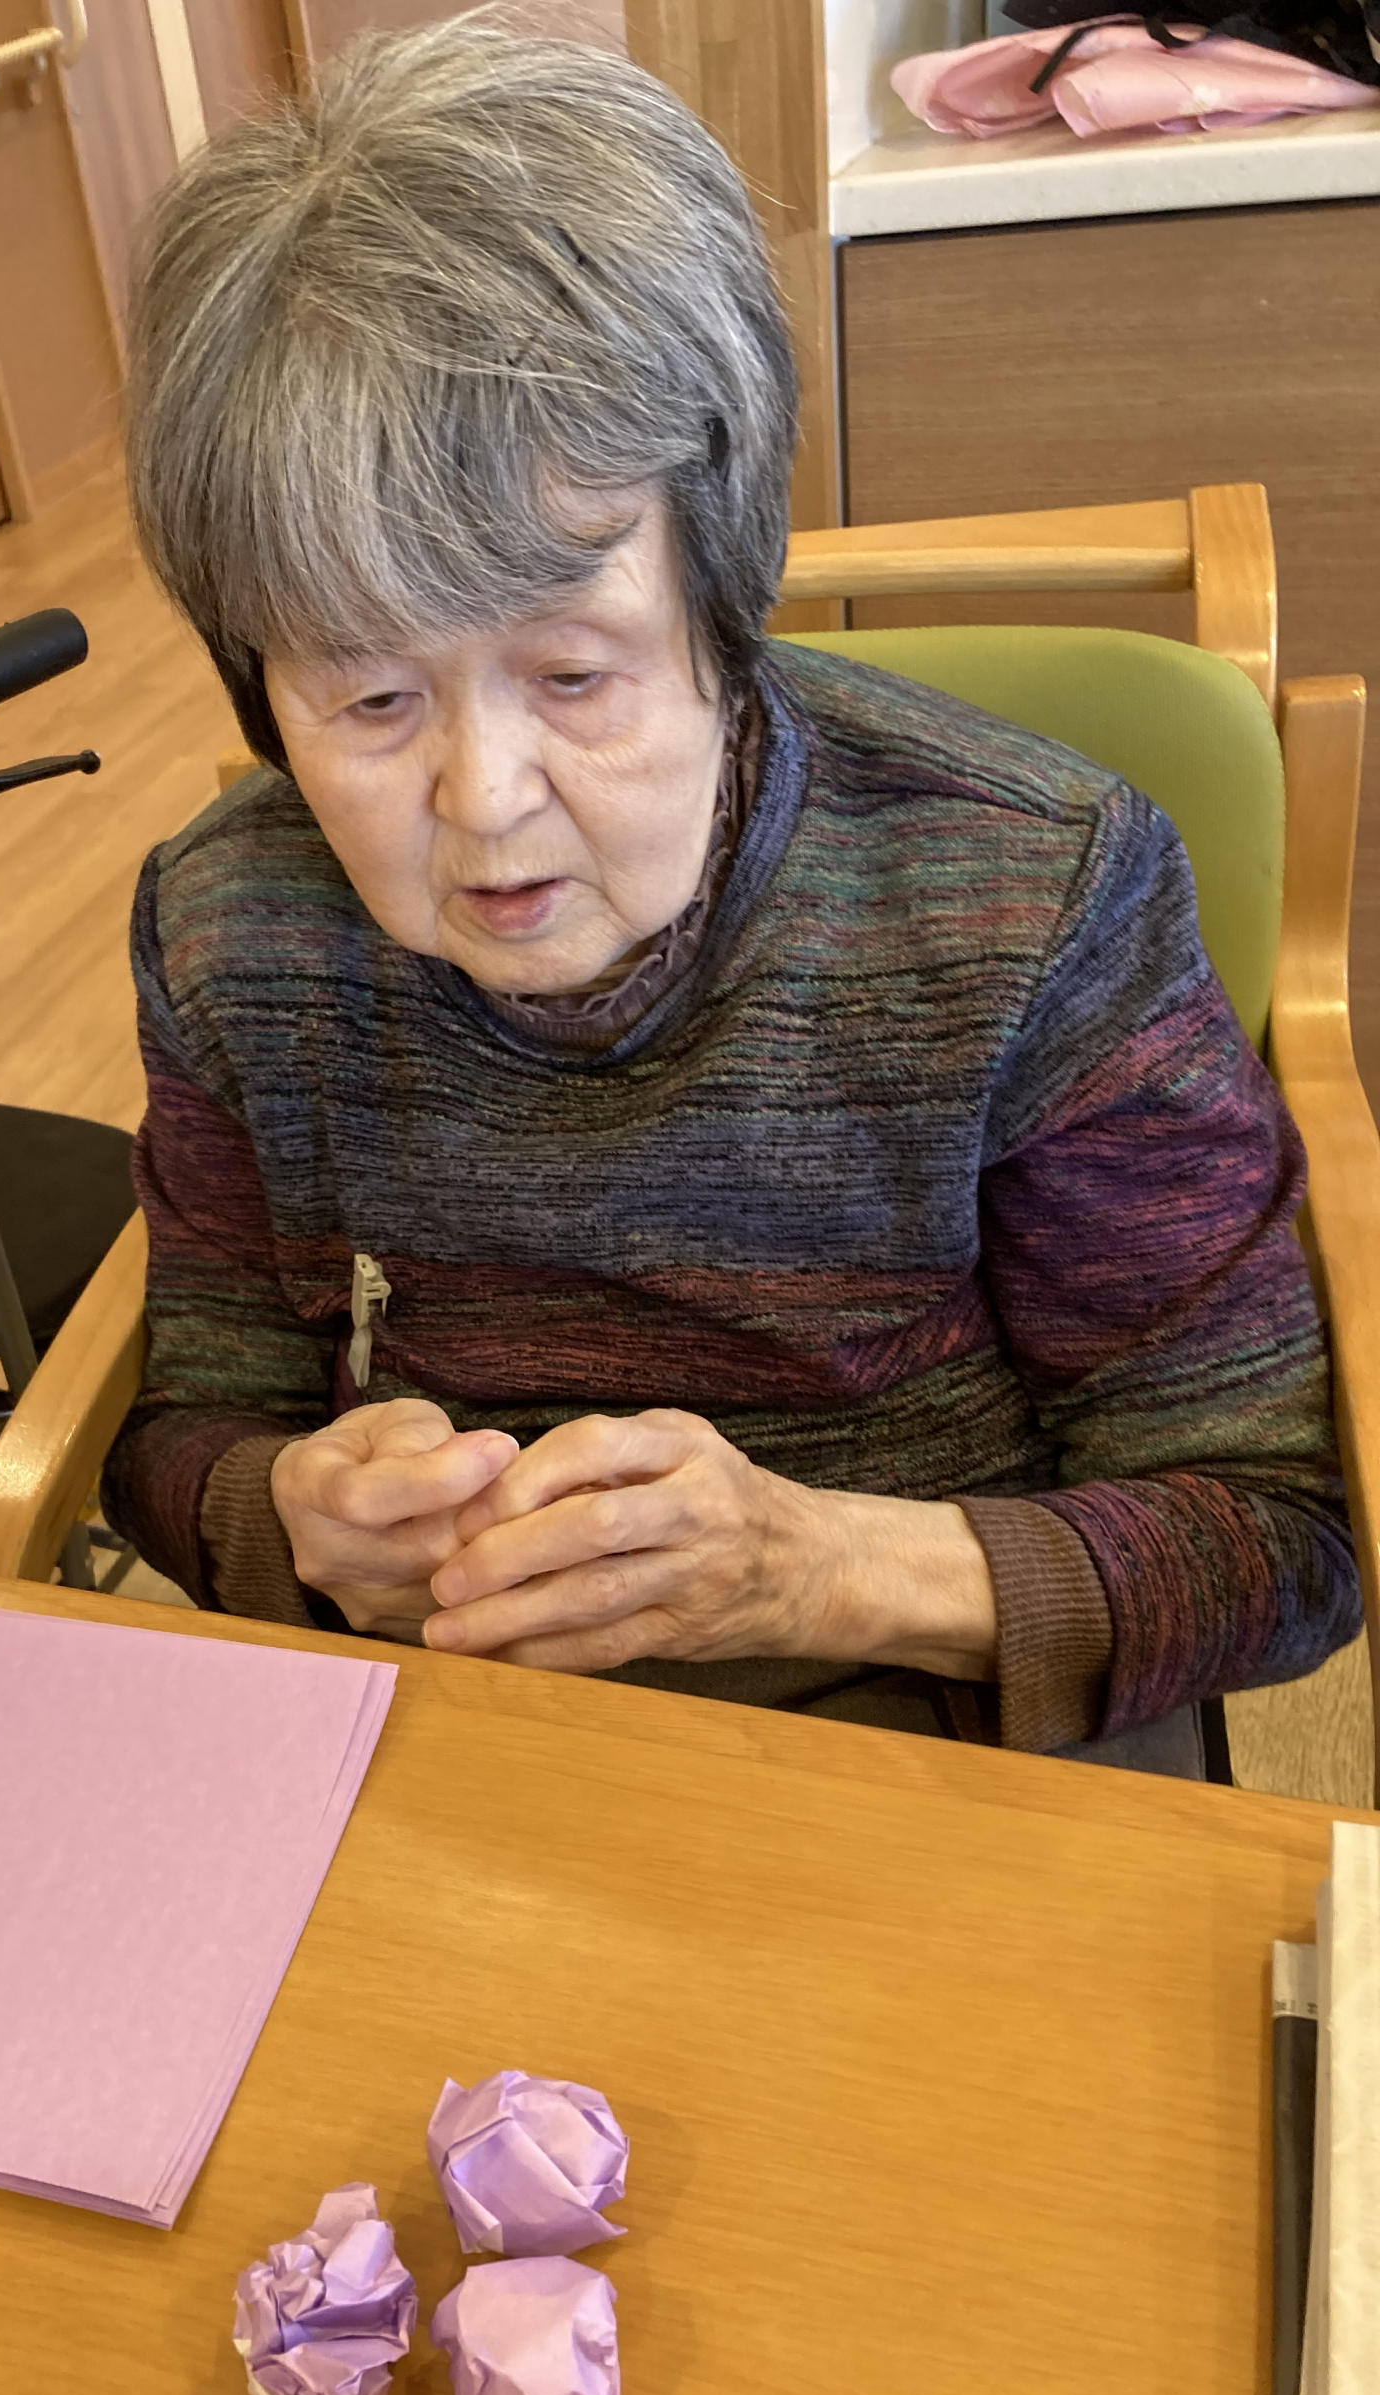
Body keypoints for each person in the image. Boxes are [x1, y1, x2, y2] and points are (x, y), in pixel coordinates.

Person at [103, 18, 1359, 1764]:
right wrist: (288, 1522)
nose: (482, 799)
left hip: (925, 1725)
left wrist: (810, 1571)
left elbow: (1271, 1532)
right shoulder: (228, 927)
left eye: (572, 675)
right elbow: (191, 1420)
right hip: (449, 1731)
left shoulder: (1028, 899)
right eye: (370, 698)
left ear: (724, 596)